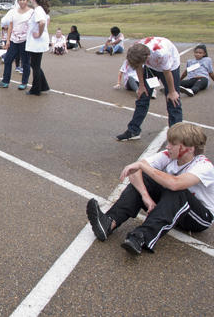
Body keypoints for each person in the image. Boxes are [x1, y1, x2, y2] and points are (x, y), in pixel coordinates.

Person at [87, 122, 214, 255]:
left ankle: (142, 237)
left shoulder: (204, 166)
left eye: (173, 144)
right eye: (168, 142)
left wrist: (143, 166)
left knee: (177, 190)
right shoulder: (168, 156)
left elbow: (175, 184)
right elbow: (135, 171)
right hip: (173, 207)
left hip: (198, 218)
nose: (168, 146)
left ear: (190, 148)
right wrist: (145, 196)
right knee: (146, 179)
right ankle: (109, 223)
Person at [116, 37, 182, 141]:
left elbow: (167, 72)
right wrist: (141, 86)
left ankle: (177, 135)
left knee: (173, 100)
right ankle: (133, 130)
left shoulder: (161, 52)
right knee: (143, 97)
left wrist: (172, 91)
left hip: (170, 67)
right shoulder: (134, 49)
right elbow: (138, 66)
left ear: (148, 58)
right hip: (151, 68)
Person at [0, 0, 33, 89]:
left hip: (25, 40)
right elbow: (10, 25)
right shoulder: (14, 12)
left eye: (24, 0)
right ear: (18, 1)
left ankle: (24, 83)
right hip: (14, 40)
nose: (22, 2)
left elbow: (33, 26)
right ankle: (5, 81)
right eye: (20, 0)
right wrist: (8, 40)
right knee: (8, 60)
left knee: (25, 62)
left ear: (27, 1)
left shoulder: (31, 12)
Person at [25, 0, 51, 96]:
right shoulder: (40, 10)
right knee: (35, 64)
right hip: (38, 41)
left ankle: (36, 89)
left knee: (35, 65)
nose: (30, 0)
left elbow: (43, 22)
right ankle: (43, 85)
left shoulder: (38, 10)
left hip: (37, 42)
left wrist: (39, 34)